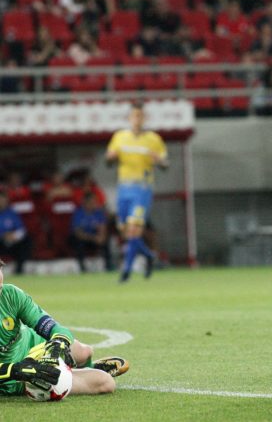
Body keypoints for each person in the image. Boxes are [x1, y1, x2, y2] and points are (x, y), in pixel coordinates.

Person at [0, 259, 129, 397]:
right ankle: (69, 372)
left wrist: (59, 341)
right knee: (106, 383)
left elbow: (53, 326)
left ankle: (85, 367)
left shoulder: (10, 295)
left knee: (84, 352)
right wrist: (15, 370)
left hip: (32, 347)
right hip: (14, 378)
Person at [106, 102, 168, 282]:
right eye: (134, 116)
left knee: (134, 228)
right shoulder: (119, 137)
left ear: (145, 118)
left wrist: (159, 160)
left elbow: (166, 164)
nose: (137, 119)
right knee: (125, 231)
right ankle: (148, 255)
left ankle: (126, 270)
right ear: (129, 118)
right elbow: (108, 162)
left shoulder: (153, 139)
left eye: (140, 116)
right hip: (124, 187)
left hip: (142, 188)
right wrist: (110, 157)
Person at [69, 191, 112, 273]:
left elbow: (102, 227)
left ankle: (109, 266)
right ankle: (82, 268)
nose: (95, 204)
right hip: (83, 238)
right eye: (92, 202)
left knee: (106, 241)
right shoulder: (78, 213)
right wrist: (93, 238)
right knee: (78, 242)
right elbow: (77, 232)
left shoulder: (99, 213)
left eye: (95, 202)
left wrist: (101, 237)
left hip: (94, 237)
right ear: (85, 203)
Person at [0, 190, 32, 275]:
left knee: (26, 241)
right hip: (1, 240)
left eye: (3, 199)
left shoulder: (12, 213)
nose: (1, 202)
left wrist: (14, 236)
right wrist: (3, 235)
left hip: (12, 240)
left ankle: (19, 270)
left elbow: (21, 229)